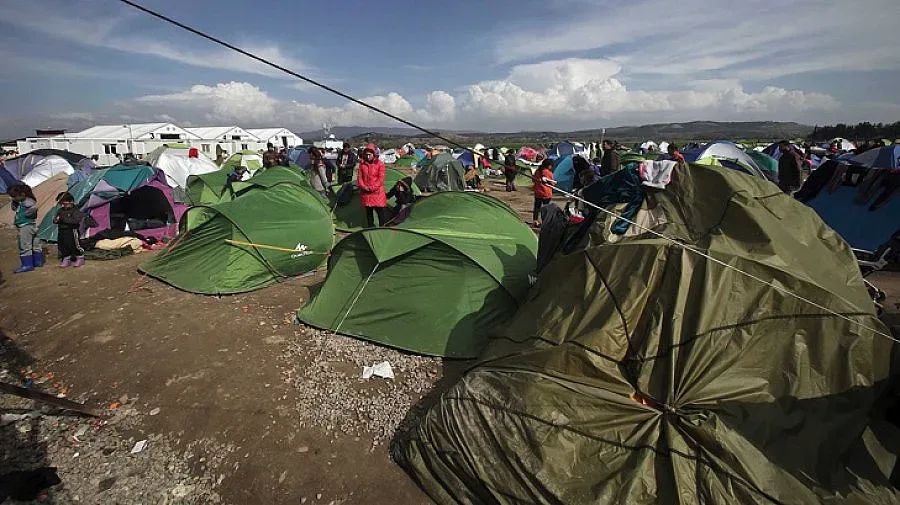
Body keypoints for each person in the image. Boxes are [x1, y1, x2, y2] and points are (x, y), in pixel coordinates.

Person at [8, 184, 42, 273]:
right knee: (35, 244)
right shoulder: (24, 202)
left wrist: (27, 214)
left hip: (25, 226)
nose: (13, 198)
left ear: (22, 194)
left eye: (14, 196)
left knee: (25, 245)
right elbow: (14, 208)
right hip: (31, 225)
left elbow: (33, 209)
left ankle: (27, 265)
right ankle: (37, 261)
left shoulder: (27, 202)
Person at [53, 192, 86, 268]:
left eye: (64, 203)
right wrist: (56, 220)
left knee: (74, 245)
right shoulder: (60, 211)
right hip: (62, 231)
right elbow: (55, 219)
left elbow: (75, 221)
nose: (63, 205)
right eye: (61, 203)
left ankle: (80, 257)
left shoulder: (75, 211)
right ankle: (66, 258)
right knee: (63, 245)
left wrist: (63, 219)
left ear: (71, 202)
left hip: (71, 231)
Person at [357, 144, 387, 227]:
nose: (368, 156)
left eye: (369, 154)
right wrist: (364, 187)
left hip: (377, 192)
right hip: (366, 192)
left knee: (380, 211)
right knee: (368, 212)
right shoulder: (362, 165)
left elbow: (381, 178)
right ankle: (370, 227)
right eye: (366, 154)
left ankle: (382, 227)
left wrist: (372, 188)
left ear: (373, 154)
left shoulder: (380, 164)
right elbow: (359, 177)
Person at [532, 158, 556, 228]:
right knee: (546, 209)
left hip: (538, 193)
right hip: (546, 193)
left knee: (537, 208)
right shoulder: (548, 172)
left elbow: (533, 180)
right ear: (549, 166)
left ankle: (535, 221)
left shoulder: (537, 171)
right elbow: (552, 183)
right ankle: (545, 222)